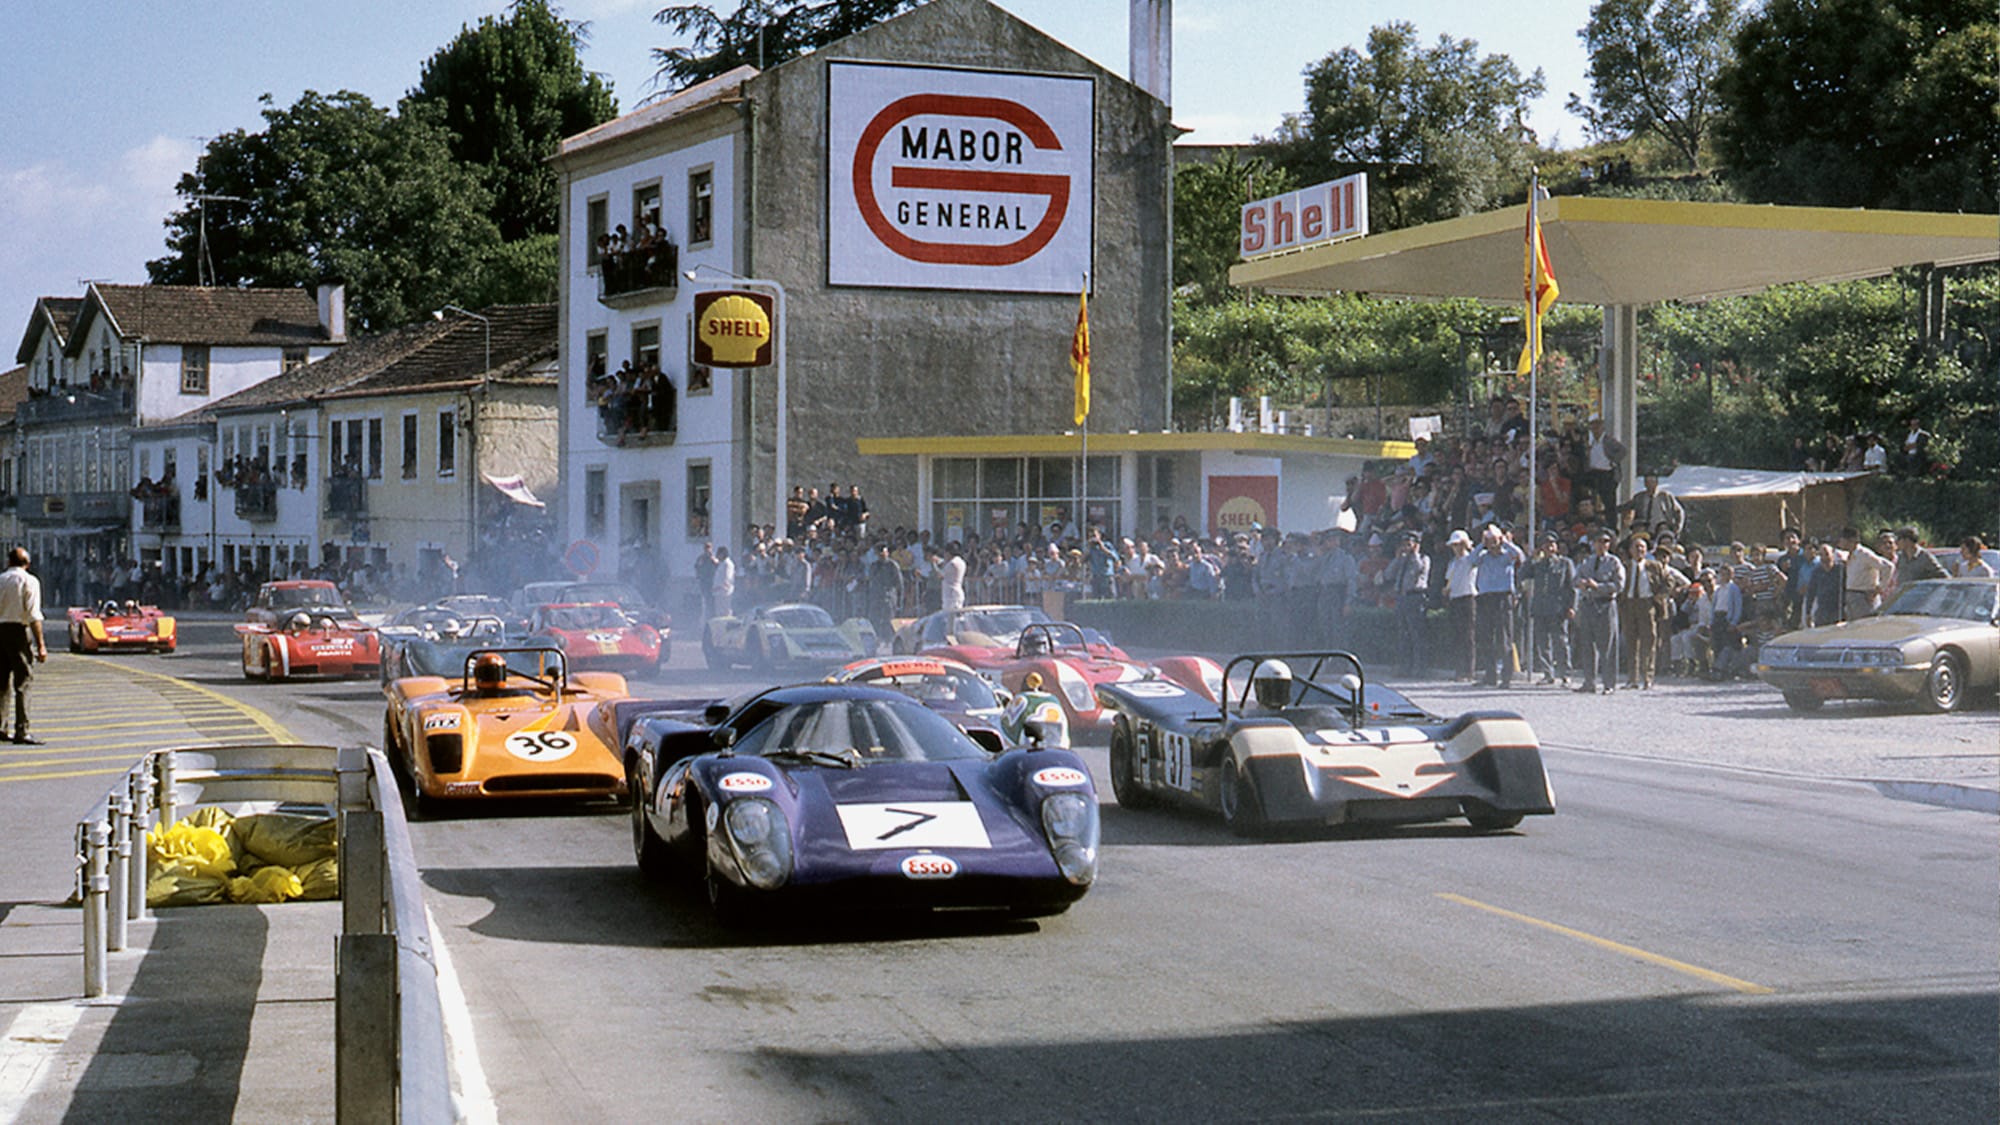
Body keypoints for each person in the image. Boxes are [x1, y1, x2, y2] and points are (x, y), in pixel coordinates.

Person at [0, 548, 48, 744]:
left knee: (1, 683)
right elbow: (34, 615)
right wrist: (41, 645)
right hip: (19, 631)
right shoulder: (30, 581)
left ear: (8, 562)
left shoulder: (1, 579)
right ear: (27, 564)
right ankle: (22, 730)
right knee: (23, 682)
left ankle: (1, 727)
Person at [1471, 526, 1525, 687]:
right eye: (1490, 541)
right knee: (1486, 637)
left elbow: (1520, 556)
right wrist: (1481, 544)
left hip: (1503, 597)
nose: (1493, 545)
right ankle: (1490, 675)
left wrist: (1506, 542)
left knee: (1504, 638)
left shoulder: (1506, 556)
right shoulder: (1483, 557)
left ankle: (1506, 677)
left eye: (1495, 541)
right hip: (1485, 597)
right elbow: (1470, 560)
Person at [1616, 535, 1672, 689]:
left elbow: (1669, 581)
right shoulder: (1624, 566)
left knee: (1649, 641)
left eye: (1642, 547)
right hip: (1628, 605)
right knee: (1631, 642)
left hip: (1647, 604)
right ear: (1630, 550)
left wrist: (1659, 597)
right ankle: (1632, 679)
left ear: (1646, 550)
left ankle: (1648, 677)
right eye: (1636, 547)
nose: (1639, 550)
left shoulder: (1655, 566)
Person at [1572, 530, 1624, 694]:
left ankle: (1609, 684)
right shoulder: (1586, 562)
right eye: (1599, 541)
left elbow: (1619, 585)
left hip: (1605, 605)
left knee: (1607, 646)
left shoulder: (1614, 562)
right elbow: (1574, 579)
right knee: (1587, 645)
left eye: (1605, 542)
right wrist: (1580, 583)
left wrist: (1598, 587)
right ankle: (1589, 682)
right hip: (1588, 605)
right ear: (1593, 544)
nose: (1602, 545)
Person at [1525, 531, 1576, 685]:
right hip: (1540, 608)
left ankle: (1565, 673)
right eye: (1546, 545)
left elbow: (1571, 587)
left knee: (1560, 642)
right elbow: (1522, 575)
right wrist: (1531, 558)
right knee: (1542, 643)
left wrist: (1572, 606)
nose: (1549, 547)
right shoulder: (1538, 564)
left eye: (1552, 544)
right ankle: (1548, 673)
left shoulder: (1565, 563)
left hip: (1558, 608)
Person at [1378, 531, 1430, 677]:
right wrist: (1397, 558)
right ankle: (1404, 666)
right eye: (1404, 545)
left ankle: (1420, 667)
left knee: (1416, 634)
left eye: (1409, 544)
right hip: (1401, 598)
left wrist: (1414, 554)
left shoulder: (1423, 558)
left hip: (1415, 597)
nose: (1406, 548)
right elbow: (1388, 574)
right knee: (1403, 634)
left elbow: (1419, 570)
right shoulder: (1401, 560)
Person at [1443, 529, 1478, 681]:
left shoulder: (1470, 560)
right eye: (1454, 545)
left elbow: (1477, 555)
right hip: (1455, 598)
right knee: (1457, 636)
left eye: (1459, 545)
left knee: (1468, 636)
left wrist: (1468, 547)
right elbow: (1449, 580)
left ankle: (1469, 671)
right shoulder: (1452, 563)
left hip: (1468, 598)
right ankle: (1459, 670)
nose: (1456, 548)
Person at [1835, 526, 1891, 620]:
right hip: (1852, 596)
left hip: (1863, 597)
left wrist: (1879, 589)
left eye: (1842, 539)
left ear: (1851, 540)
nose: (1840, 542)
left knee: (1865, 626)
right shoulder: (1849, 555)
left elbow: (1888, 567)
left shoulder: (1864, 554)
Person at [1623, 474, 1685, 539]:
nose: (1650, 485)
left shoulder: (1665, 496)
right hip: (1644, 528)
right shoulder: (1639, 497)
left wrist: (1677, 527)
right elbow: (1627, 506)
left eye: (1652, 482)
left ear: (1656, 483)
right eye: (1647, 482)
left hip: (1662, 527)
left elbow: (1679, 511)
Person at [710, 546, 735, 619]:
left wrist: (719, 587)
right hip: (719, 592)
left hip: (725, 593)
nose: (717, 556)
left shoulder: (728, 564)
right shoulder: (722, 563)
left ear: (722, 554)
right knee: (719, 612)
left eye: (718, 554)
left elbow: (727, 578)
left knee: (725, 612)